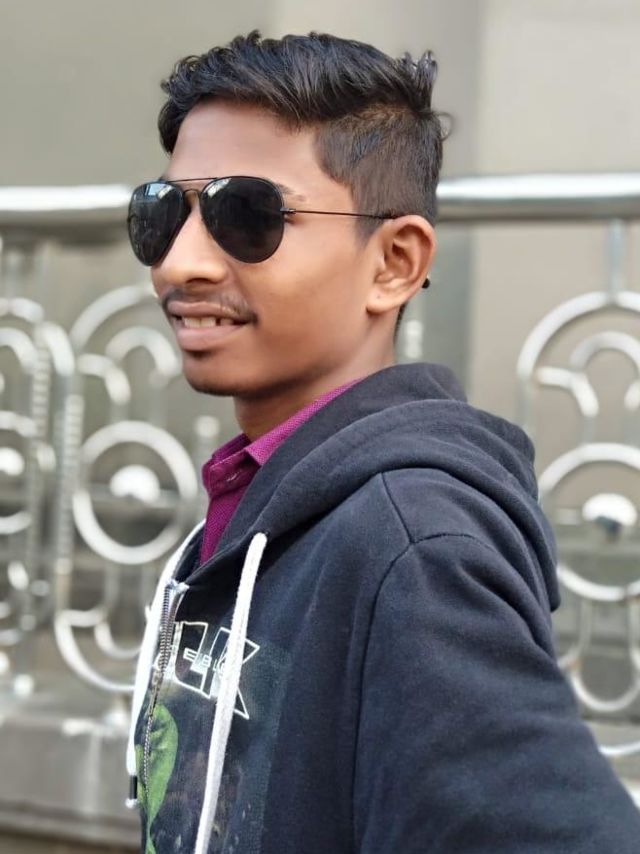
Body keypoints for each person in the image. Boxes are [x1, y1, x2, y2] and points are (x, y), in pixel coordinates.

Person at [124, 30, 640, 854]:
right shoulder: (265, 495)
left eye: (245, 215)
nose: (180, 264)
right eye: (162, 213)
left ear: (395, 262)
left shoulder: (415, 545)